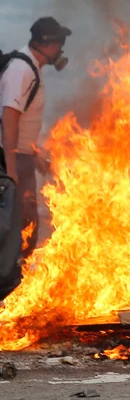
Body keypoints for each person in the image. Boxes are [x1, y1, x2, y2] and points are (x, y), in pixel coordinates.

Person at [0, 17, 71, 258]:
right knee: (17, 229)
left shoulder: (33, 69)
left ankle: (19, 282)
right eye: (60, 44)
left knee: (27, 226)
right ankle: (10, 284)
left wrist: (36, 156)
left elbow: (26, 121)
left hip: (23, 158)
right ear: (50, 45)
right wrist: (10, 171)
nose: (61, 51)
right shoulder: (22, 70)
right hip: (10, 159)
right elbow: (9, 118)